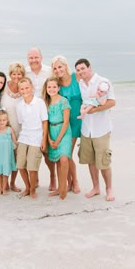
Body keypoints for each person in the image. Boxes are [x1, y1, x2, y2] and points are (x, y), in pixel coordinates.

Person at [75, 58, 115, 201]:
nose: (81, 72)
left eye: (82, 68)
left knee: (103, 161)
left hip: (101, 129)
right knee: (91, 161)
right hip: (86, 130)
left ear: (89, 67)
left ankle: (109, 189)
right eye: (78, 70)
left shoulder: (103, 82)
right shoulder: (80, 84)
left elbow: (112, 102)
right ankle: (96, 187)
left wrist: (95, 110)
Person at [26, 47, 56, 191]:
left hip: (48, 114)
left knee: (46, 151)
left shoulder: (49, 71)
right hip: (30, 117)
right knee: (33, 148)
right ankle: (35, 179)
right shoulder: (25, 72)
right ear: (28, 59)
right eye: (31, 58)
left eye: (36, 57)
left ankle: (52, 178)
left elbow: (57, 87)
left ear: (41, 57)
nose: (34, 60)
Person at [51, 55, 82, 194]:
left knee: (67, 154)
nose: (58, 70)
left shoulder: (77, 77)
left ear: (65, 66)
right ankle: (70, 182)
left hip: (78, 121)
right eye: (55, 68)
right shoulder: (57, 84)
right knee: (66, 154)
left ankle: (73, 182)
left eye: (60, 66)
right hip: (65, 124)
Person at [16, 77, 48, 199]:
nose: (25, 90)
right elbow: (21, 122)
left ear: (32, 88)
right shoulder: (19, 106)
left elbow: (45, 122)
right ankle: (28, 187)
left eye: (27, 88)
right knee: (20, 165)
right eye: (22, 89)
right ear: (19, 90)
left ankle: (33, 189)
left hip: (36, 138)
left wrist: (44, 140)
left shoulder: (39, 103)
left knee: (32, 167)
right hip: (24, 137)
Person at [42, 77, 72, 199]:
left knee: (64, 159)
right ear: (46, 88)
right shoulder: (46, 102)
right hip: (51, 131)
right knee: (57, 162)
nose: (52, 89)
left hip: (63, 132)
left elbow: (66, 122)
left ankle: (63, 188)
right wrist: (48, 139)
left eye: (54, 87)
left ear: (58, 88)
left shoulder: (63, 101)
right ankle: (59, 188)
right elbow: (45, 122)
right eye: (49, 87)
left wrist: (58, 139)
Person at [0, 62, 26, 192]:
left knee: (17, 158)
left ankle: (12, 183)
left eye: (19, 73)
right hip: (5, 128)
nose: (16, 76)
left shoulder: (24, 88)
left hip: (20, 130)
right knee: (5, 156)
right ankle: (3, 183)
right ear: (10, 74)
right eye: (14, 73)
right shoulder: (4, 87)